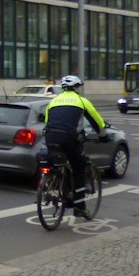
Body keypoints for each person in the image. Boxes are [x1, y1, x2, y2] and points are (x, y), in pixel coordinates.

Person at [44, 75, 107, 217]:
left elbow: (47, 122)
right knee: (79, 168)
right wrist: (103, 135)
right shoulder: (81, 101)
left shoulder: (53, 102)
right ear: (76, 87)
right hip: (69, 138)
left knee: (57, 162)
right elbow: (97, 121)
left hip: (50, 137)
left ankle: (55, 184)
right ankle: (79, 207)